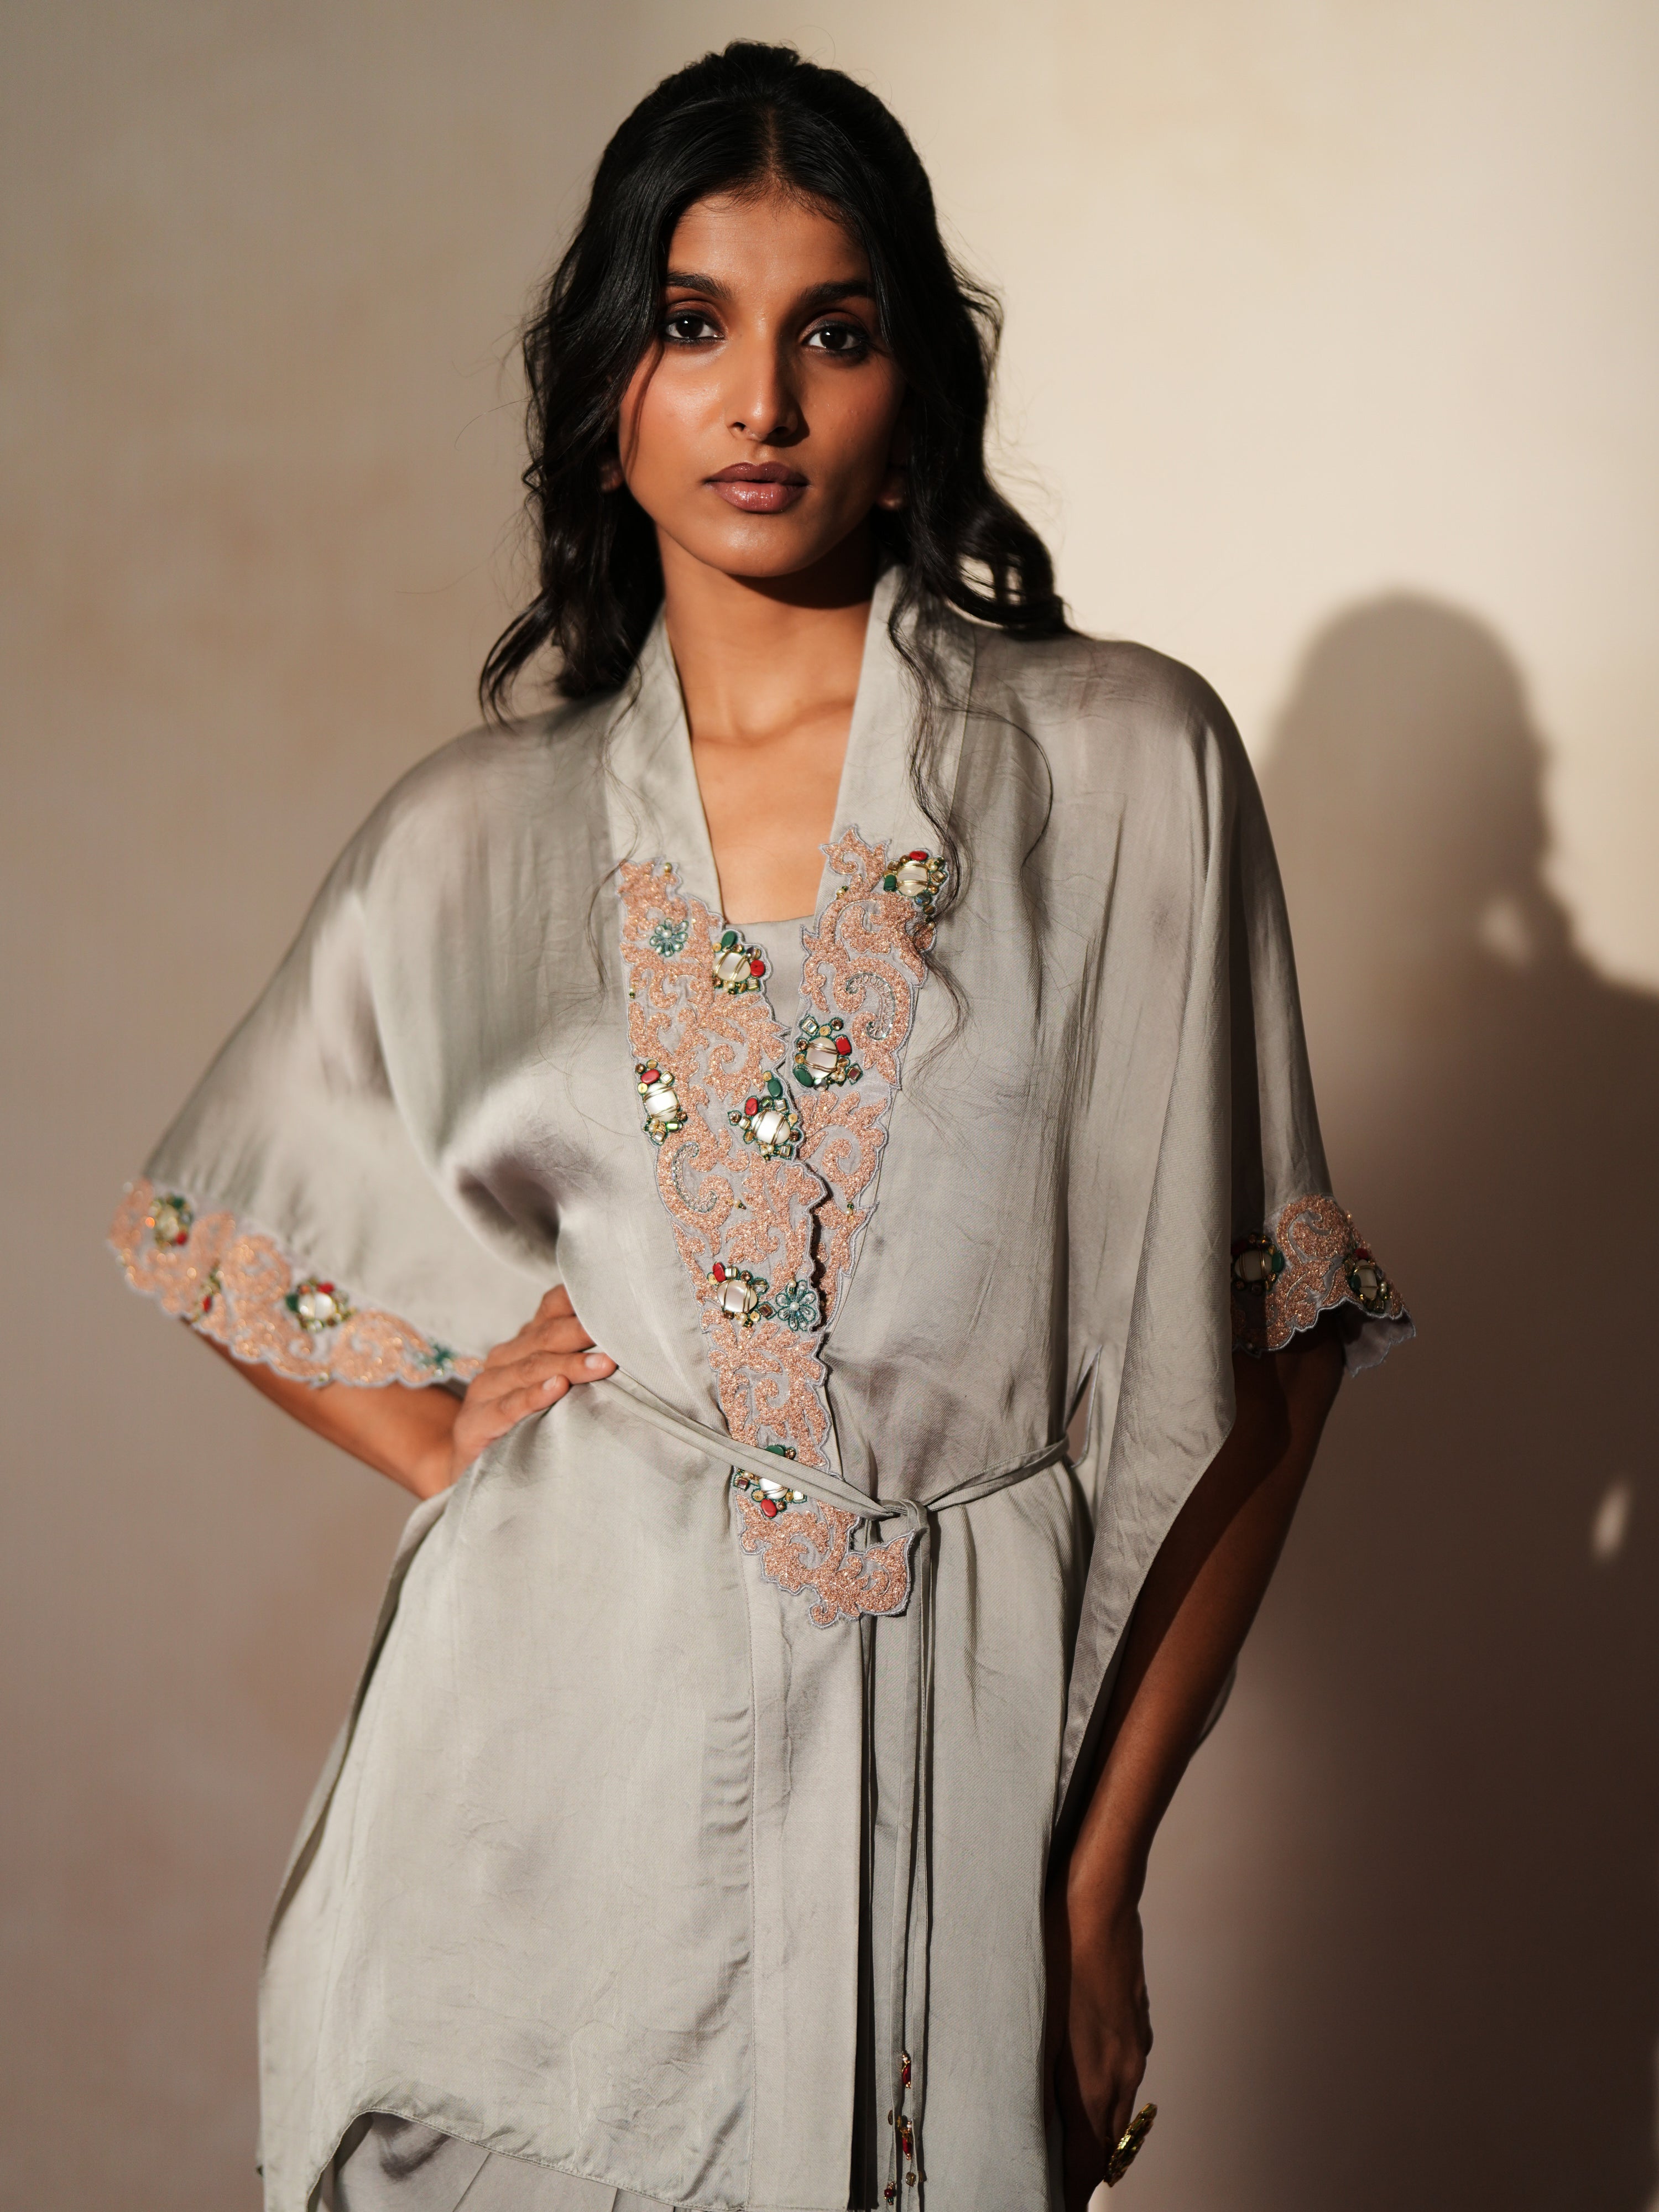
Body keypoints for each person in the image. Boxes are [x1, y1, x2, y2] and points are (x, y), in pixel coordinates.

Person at [108, 41, 1411, 2212]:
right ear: (609, 385)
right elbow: (207, 1228)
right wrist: (451, 1439)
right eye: (693, 326)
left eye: (836, 329)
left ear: (917, 392)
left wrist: (1093, 1885)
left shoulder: (1122, 772)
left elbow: (1261, 1364)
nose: (762, 404)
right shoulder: (483, 834)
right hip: (546, 1807)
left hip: (962, 1796)